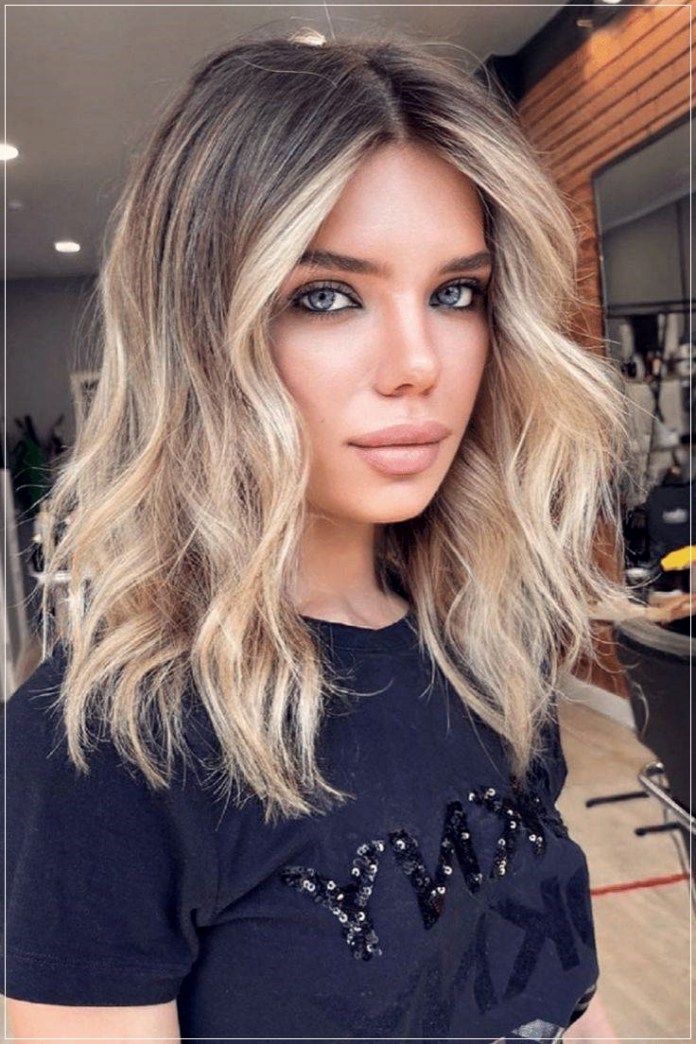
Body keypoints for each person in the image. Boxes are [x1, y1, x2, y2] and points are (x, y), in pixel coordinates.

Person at [4, 25, 633, 1043]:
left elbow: (562, 991)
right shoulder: (110, 747)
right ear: (203, 331)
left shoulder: (487, 644)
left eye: (456, 293)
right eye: (327, 296)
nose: (418, 362)